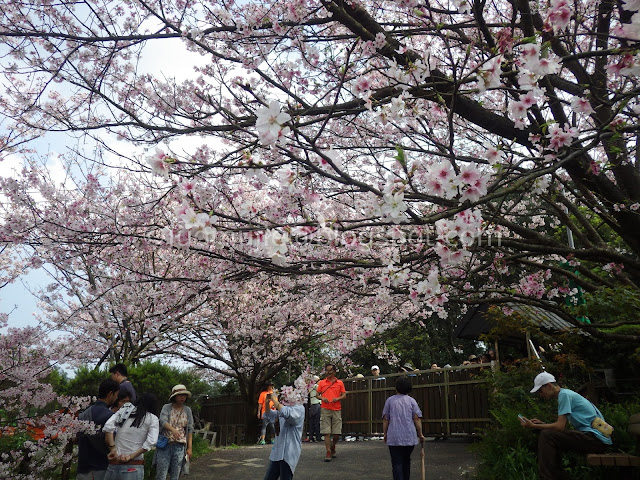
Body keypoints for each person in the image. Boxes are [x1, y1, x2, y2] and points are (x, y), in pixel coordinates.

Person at [520, 372, 612, 480]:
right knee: (547, 434)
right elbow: (562, 429)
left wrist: (534, 426)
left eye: (540, 391)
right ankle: (556, 476)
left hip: (595, 440)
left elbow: (560, 427)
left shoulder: (564, 395)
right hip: (593, 439)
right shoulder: (566, 394)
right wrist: (543, 425)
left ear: (549, 386)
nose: (540, 394)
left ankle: (548, 477)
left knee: (547, 435)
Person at [103, 393, 159, 480]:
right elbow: (152, 441)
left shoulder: (124, 411)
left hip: (114, 464)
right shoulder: (152, 418)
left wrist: (113, 449)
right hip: (133, 466)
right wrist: (131, 456)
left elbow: (108, 426)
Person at [77, 379, 121, 480]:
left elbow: (75, 439)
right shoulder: (110, 417)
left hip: (82, 469)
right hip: (101, 468)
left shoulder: (83, 415)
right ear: (110, 394)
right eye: (116, 395)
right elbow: (109, 440)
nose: (116, 398)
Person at [382, 377, 425, 480]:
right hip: (409, 436)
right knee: (406, 460)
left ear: (396, 388)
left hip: (394, 436)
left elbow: (385, 419)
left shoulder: (390, 401)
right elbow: (417, 419)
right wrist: (420, 434)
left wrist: (385, 433)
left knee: (396, 462)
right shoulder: (411, 401)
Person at [262, 388, 305, 480]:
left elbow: (289, 415)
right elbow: (269, 415)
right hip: (278, 451)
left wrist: (275, 401)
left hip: (289, 451)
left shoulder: (299, 408)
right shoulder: (283, 408)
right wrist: (267, 402)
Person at [155, 384, 194, 480]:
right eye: (180, 395)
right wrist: (173, 430)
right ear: (174, 396)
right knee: (161, 474)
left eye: (184, 395)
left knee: (175, 475)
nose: (182, 397)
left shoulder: (187, 410)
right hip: (165, 445)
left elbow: (190, 429)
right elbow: (162, 421)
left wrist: (189, 448)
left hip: (180, 446)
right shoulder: (167, 407)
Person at [317, 363, 346, 462]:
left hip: (336, 409)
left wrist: (337, 398)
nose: (328, 373)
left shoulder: (340, 383)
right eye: (327, 370)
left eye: (330, 371)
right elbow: (317, 394)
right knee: (326, 432)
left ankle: (333, 446)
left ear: (334, 371)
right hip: (325, 408)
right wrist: (322, 398)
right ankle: (328, 451)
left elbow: (344, 395)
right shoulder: (322, 383)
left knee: (337, 433)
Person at [307, 375, 322, 443]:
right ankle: (318, 437)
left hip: (312, 405)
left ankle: (311, 437)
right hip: (317, 405)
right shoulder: (316, 386)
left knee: (311, 422)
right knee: (317, 422)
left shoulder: (310, 387)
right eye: (319, 380)